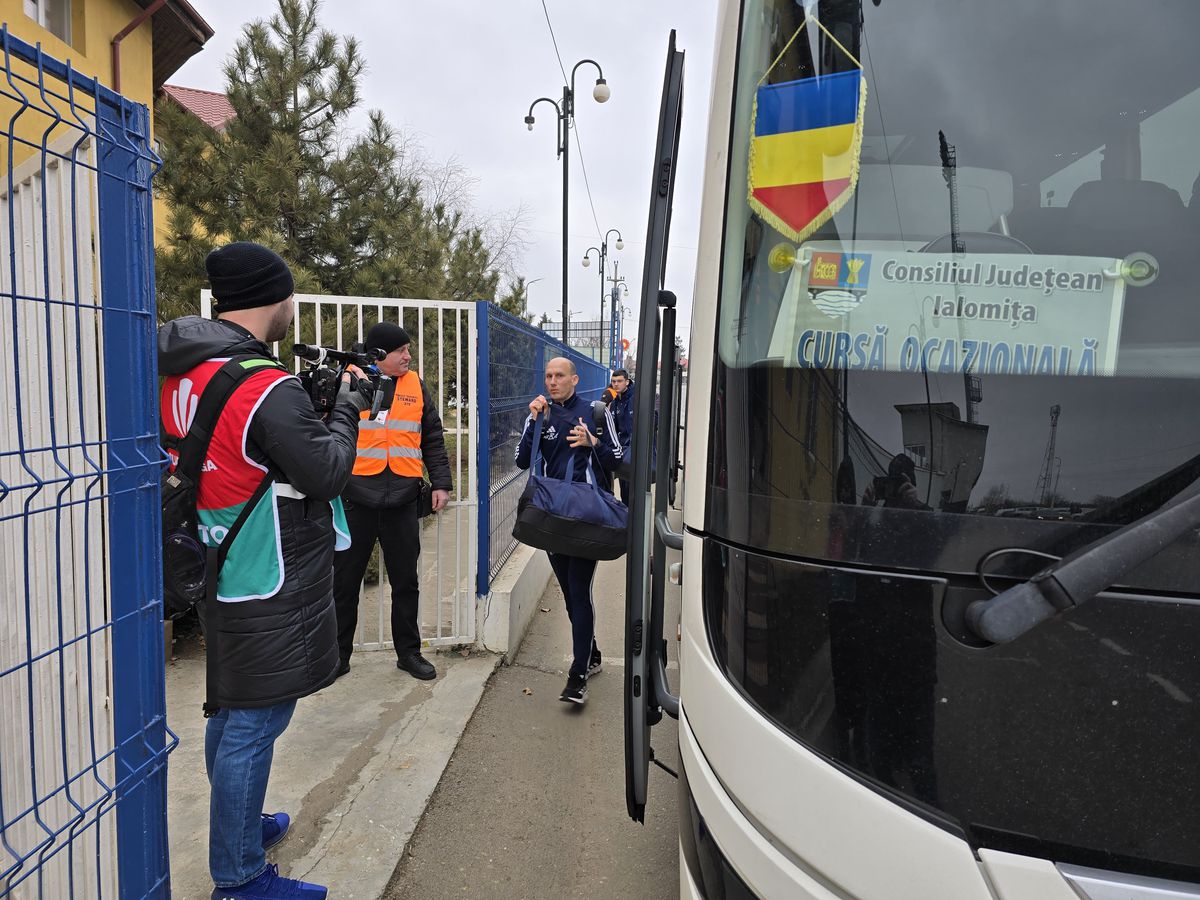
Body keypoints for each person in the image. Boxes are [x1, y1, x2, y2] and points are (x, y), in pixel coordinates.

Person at [159, 242, 367, 900]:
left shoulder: (180, 368)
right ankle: (240, 877)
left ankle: (239, 828)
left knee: (229, 706)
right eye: (289, 295)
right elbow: (328, 470)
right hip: (263, 567)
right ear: (271, 299)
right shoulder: (262, 383)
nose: (293, 306)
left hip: (212, 555)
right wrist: (346, 408)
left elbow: (236, 451)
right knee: (254, 720)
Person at [332, 321, 452, 681]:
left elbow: (431, 435)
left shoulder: (415, 384)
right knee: (344, 583)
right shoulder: (349, 382)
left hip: (401, 497)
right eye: (402, 351)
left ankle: (409, 653)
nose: (408, 356)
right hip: (356, 497)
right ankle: (337, 656)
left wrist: (441, 483)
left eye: (408, 350)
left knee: (405, 583)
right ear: (379, 355)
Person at [515, 357, 622, 704]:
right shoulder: (540, 413)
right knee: (569, 592)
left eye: (559, 375)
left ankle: (577, 676)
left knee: (579, 590)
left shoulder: (594, 412)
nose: (552, 381)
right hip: (553, 518)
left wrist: (594, 442)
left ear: (574, 379)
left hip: (587, 515)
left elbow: (618, 459)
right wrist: (534, 421)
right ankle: (590, 654)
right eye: (548, 376)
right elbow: (521, 460)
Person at [608, 369, 635, 502]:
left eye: (619, 381)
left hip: (634, 451)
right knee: (624, 489)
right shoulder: (615, 402)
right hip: (622, 451)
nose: (616, 384)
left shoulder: (636, 398)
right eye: (613, 381)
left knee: (632, 491)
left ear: (627, 382)